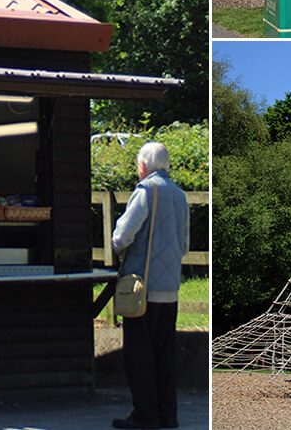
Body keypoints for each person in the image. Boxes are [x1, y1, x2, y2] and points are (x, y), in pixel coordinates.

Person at [111, 142, 190, 430]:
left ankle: (145, 415)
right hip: (170, 288)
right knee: (165, 353)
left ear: (144, 165)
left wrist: (118, 249)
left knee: (139, 354)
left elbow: (123, 234)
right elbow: (185, 244)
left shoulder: (145, 191)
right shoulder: (180, 196)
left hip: (141, 289)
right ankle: (168, 414)